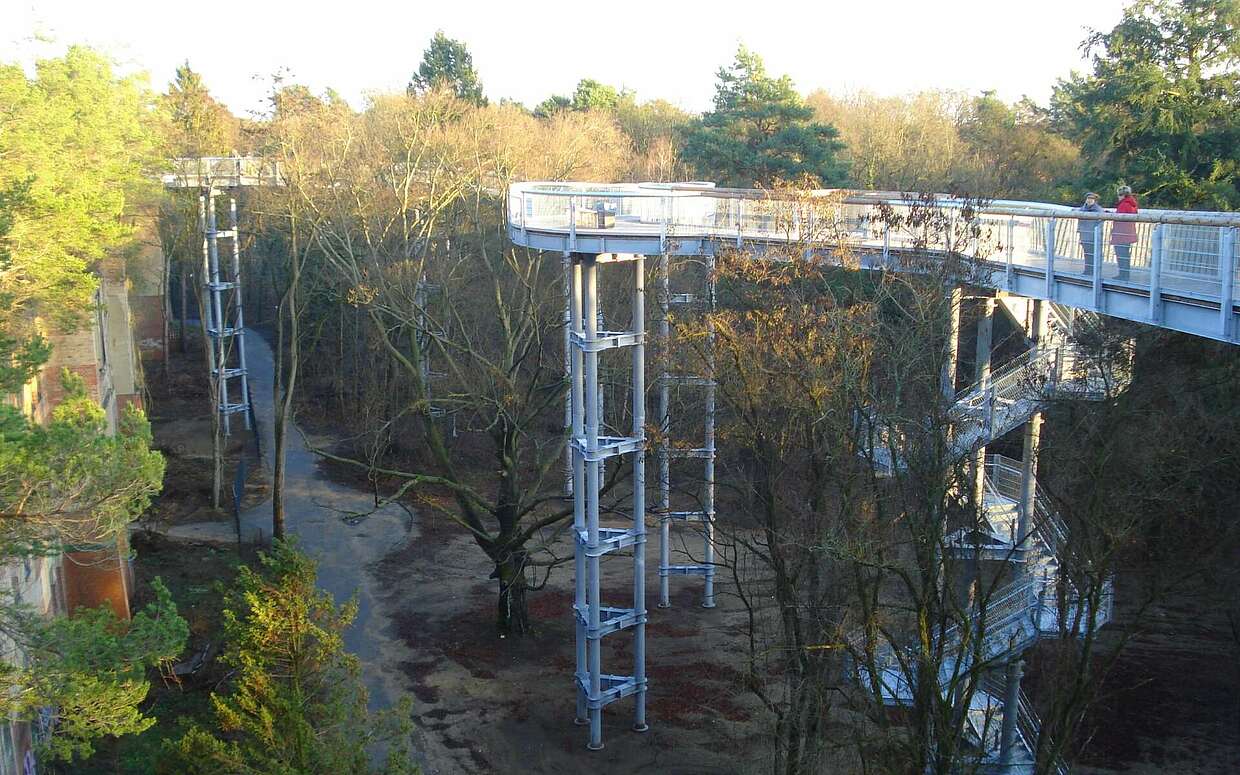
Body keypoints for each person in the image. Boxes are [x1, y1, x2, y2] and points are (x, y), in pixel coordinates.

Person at [1111, 185, 1139, 281]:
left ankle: (1123, 275)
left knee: (1121, 255)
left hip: (1121, 234)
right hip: (1128, 233)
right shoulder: (1132, 204)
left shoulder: (1124, 204)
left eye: (1119, 195)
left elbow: (1120, 218)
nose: (1118, 197)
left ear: (1122, 195)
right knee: (1125, 255)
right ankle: (1125, 275)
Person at [1076, 192, 1103, 275]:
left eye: (1092, 198)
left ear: (1095, 200)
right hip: (1084, 235)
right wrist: (1079, 231)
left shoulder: (1098, 210)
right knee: (1087, 254)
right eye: (1088, 198)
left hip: (1093, 235)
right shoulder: (1082, 209)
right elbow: (1080, 221)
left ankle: (1094, 271)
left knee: (1094, 254)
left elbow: (1100, 222)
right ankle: (1087, 270)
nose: (1089, 200)